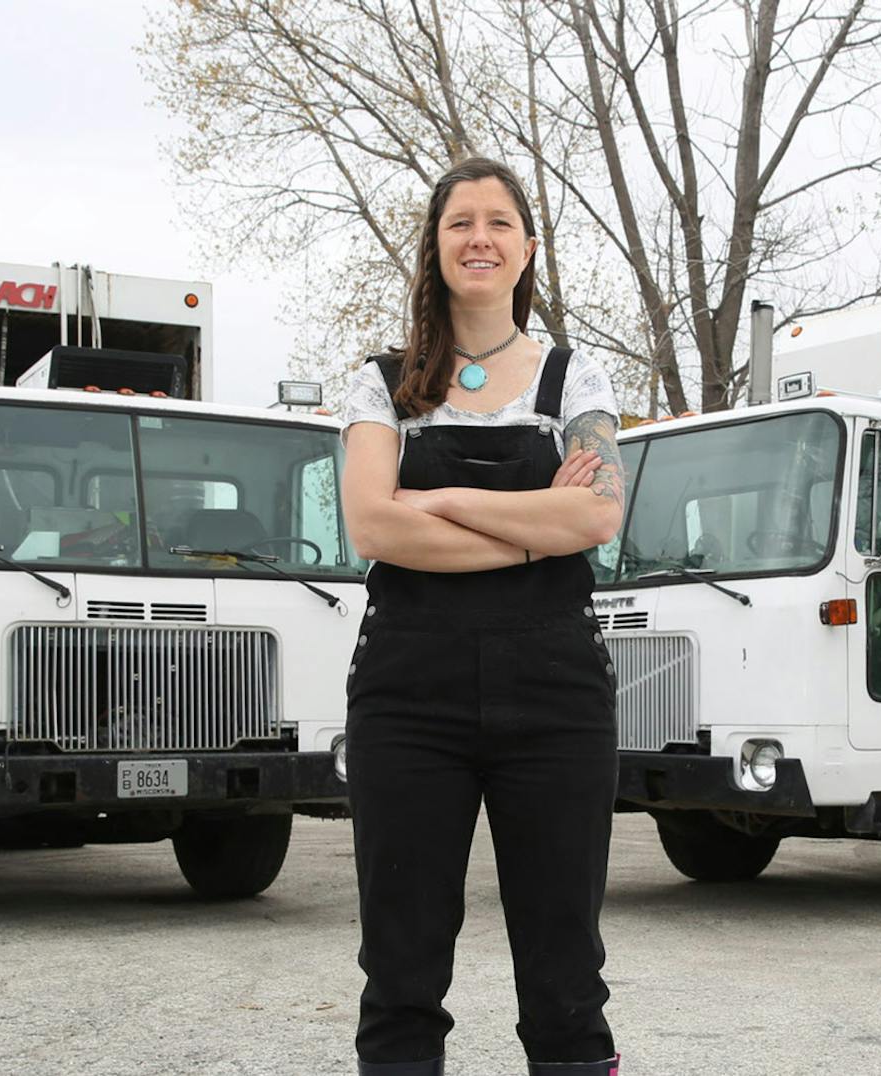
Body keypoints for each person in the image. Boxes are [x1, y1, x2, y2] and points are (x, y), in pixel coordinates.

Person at [338, 156, 626, 1076]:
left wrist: (436, 501)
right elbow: (370, 526)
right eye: (460, 222)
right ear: (435, 245)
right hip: (406, 696)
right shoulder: (380, 384)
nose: (479, 238)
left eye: (499, 222)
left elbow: (598, 515)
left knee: (565, 972)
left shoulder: (575, 383)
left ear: (526, 248)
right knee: (401, 966)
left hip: (556, 694)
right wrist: (537, 525)